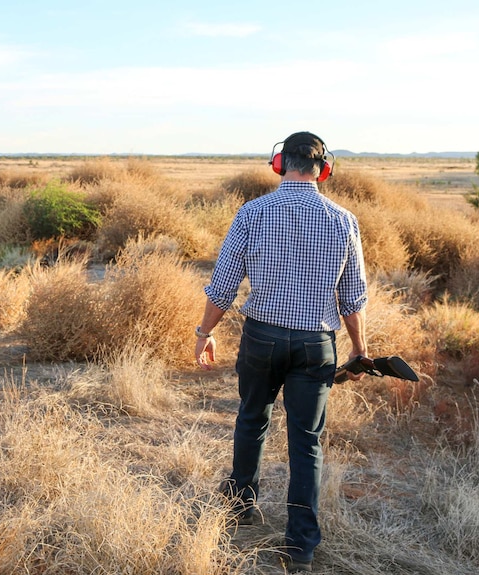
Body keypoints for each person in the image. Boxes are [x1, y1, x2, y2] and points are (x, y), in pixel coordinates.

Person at [194, 132, 368, 573]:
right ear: (324, 169)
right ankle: (300, 547)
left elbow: (224, 282)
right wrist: (361, 350)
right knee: (306, 443)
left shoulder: (252, 212)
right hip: (317, 344)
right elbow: (353, 298)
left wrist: (204, 331)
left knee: (252, 418)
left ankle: (239, 508)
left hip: (262, 338)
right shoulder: (343, 219)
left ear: (278, 164)